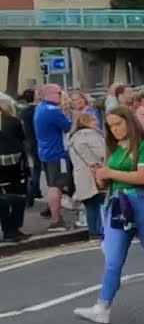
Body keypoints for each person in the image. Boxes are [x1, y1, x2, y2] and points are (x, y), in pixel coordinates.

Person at [73, 107, 144, 324]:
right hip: (117, 203)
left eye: (118, 124)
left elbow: (142, 177)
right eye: (110, 126)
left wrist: (109, 173)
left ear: (130, 122)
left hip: (141, 201)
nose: (115, 129)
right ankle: (102, 307)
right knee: (113, 259)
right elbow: (104, 183)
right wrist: (98, 175)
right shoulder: (114, 149)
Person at [33, 83, 73, 231]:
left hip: (45, 151)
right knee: (57, 186)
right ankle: (56, 219)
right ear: (48, 94)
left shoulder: (40, 108)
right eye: (58, 93)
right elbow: (69, 126)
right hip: (58, 152)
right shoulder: (53, 111)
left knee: (52, 185)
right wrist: (67, 110)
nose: (61, 95)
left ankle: (54, 215)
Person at [67, 111, 107, 242]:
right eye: (93, 120)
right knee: (101, 203)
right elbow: (102, 153)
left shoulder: (72, 138)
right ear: (86, 122)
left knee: (90, 206)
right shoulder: (90, 135)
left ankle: (93, 232)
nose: (96, 122)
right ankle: (101, 230)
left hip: (80, 175)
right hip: (94, 173)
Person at [0, 93, 28, 244]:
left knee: (2, 199)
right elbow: (23, 139)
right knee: (18, 197)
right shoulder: (13, 121)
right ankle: (14, 228)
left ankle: (7, 229)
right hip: (15, 165)